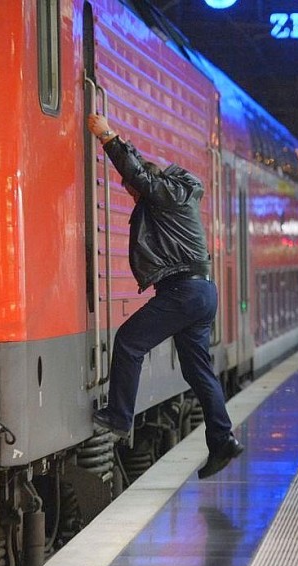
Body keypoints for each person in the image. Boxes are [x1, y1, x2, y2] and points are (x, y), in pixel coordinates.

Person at [87, 112, 243, 479]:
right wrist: (127, 148)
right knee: (198, 370)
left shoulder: (167, 195)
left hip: (184, 290)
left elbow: (139, 174)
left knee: (128, 341)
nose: (131, 192)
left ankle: (119, 416)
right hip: (200, 291)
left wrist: (108, 137)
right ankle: (222, 440)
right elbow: (141, 170)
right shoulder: (174, 194)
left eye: (133, 190)